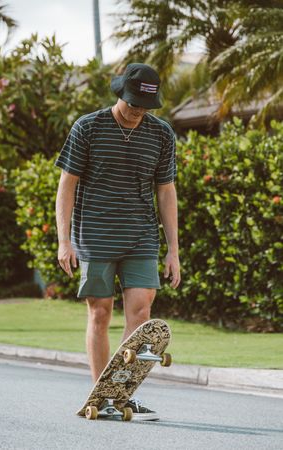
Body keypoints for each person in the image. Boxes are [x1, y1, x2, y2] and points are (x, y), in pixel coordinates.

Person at [54, 63, 180, 421]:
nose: (137, 109)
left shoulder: (161, 134)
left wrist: (173, 249)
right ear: (120, 92)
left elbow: (166, 192)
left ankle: (122, 393)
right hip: (95, 235)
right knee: (101, 312)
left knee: (141, 313)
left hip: (140, 235)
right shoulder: (88, 127)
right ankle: (101, 394)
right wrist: (65, 240)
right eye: (132, 101)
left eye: (144, 104)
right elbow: (67, 187)